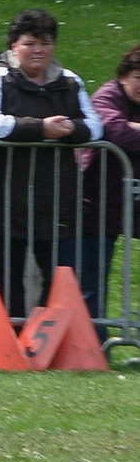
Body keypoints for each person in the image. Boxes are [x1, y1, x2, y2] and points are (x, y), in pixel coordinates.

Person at [0, 9, 102, 320]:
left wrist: (70, 130)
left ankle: (45, 340)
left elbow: (95, 126)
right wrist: (41, 128)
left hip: (54, 202)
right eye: (29, 43)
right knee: (5, 282)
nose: (38, 50)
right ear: (13, 46)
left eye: (45, 43)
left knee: (62, 281)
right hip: (0, 201)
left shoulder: (70, 81)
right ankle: (10, 341)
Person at [77, 44, 140, 341]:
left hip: (131, 199)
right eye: (138, 77)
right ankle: (93, 343)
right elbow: (116, 131)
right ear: (124, 76)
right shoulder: (107, 95)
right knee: (92, 278)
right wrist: (130, 128)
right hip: (98, 202)